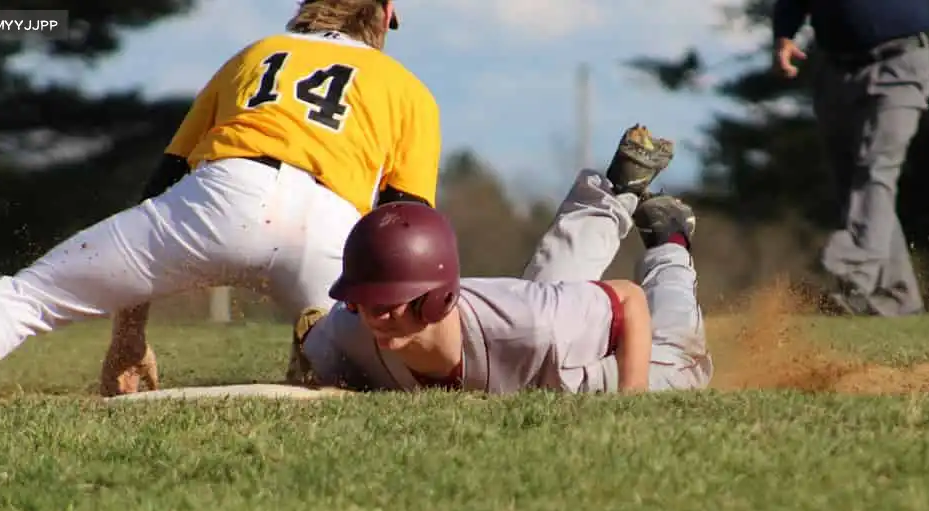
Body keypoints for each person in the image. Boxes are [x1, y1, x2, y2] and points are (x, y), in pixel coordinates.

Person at [0, 0, 441, 395]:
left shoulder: (257, 54)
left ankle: (324, 345)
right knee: (377, 374)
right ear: (384, 14)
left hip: (224, 197)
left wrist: (129, 335)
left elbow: (164, 182)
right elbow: (408, 230)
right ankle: (324, 347)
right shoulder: (410, 90)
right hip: (331, 226)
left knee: (27, 298)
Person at [293, 125, 713, 393]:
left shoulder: (528, 325)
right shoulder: (351, 329)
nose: (373, 316)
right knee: (548, 294)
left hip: (578, 363)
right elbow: (310, 339)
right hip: (534, 323)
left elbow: (628, 301)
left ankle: (668, 239)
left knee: (681, 363)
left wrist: (633, 396)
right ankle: (619, 187)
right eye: (360, 301)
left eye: (388, 304)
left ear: (438, 298)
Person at [772, 0, 929, 316]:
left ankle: (853, 272)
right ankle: (897, 298)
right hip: (834, 72)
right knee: (854, 187)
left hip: (900, 66)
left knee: (876, 170)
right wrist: (784, 36)